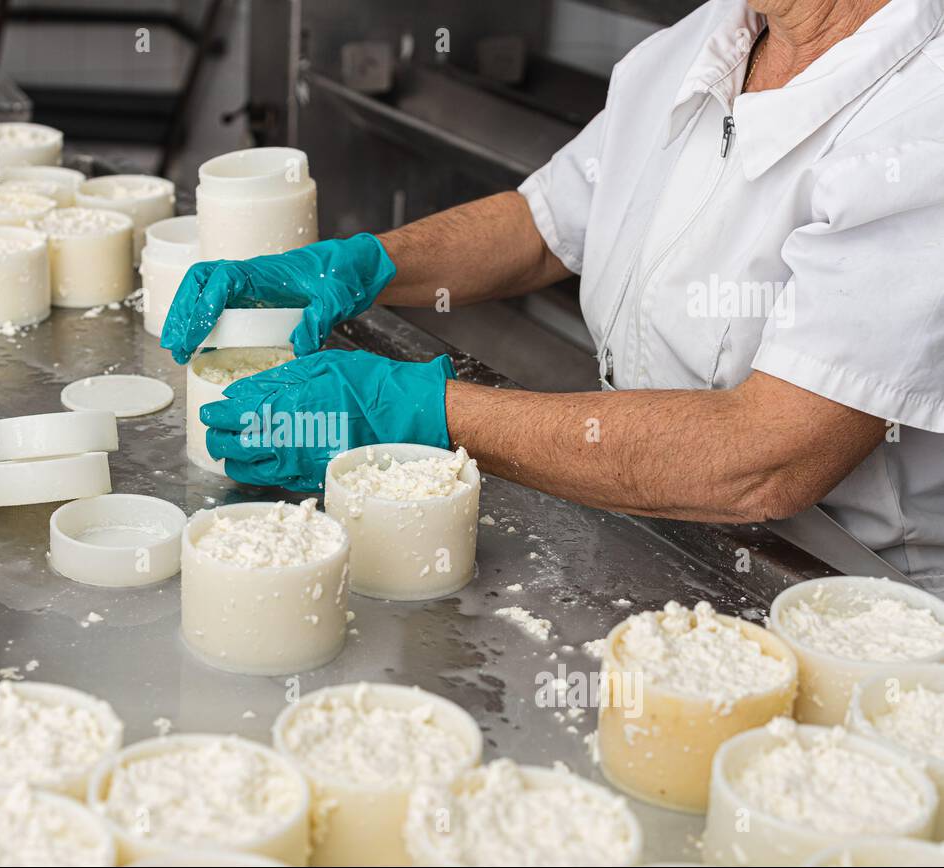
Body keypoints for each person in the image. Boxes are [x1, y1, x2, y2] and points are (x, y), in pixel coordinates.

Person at [161, 0, 944, 592]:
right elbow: (545, 224)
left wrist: (421, 411)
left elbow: (766, 458)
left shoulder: (922, 118)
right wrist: (355, 265)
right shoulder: (711, 38)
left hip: (836, 596)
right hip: (649, 520)